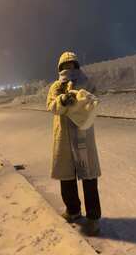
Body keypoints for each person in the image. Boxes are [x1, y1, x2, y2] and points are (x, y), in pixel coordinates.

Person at [46, 51, 101, 235]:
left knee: (89, 178)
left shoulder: (86, 82)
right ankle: (73, 211)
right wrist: (62, 99)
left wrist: (80, 97)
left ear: (77, 66)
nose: (69, 69)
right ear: (60, 68)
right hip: (63, 136)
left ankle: (93, 217)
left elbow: (94, 100)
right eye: (65, 66)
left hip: (83, 136)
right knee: (67, 178)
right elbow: (51, 106)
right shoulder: (55, 86)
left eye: (72, 65)